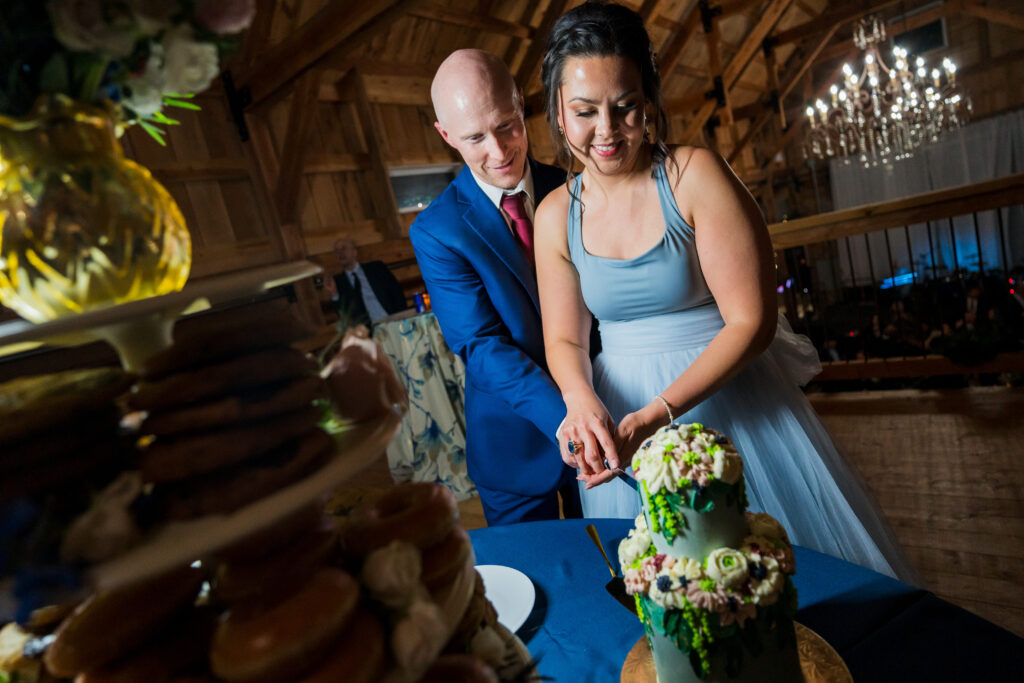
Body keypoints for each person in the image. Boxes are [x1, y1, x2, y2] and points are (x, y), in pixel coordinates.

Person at [534, 1, 919, 583]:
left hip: (726, 396)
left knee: (776, 576)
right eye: (585, 112)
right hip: (620, 416)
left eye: (627, 107)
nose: (607, 131)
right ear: (559, 114)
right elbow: (564, 335)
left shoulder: (693, 175)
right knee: (673, 592)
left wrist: (657, 415)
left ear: (649, 100)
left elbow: (751, 321)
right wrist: (580, 399)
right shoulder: (554, 214)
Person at [408, 49, 582, 525]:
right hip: (515, 451)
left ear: (520, 106)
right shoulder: (436, 230)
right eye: (475, 137)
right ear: (447, 136)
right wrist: (569, 420)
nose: (500, 151)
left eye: (507, 125)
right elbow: (482, 346)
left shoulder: (576, 189)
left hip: (609, 417)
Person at [324, 236, 407, 328]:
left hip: (392, 320)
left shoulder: (376, 268)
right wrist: (333, 293)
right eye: (337, 251)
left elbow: (396, 292)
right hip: (369, 332)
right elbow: (343, 314)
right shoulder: (338, 282)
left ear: (354, 252)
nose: (340, 253)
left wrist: (402, 319)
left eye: (343, 248)